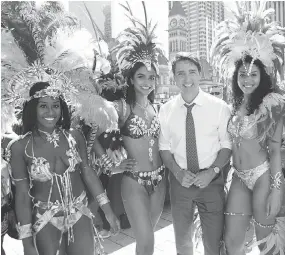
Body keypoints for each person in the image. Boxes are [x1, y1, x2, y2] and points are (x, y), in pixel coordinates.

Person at [210, 3, 285, 254]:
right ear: (236, 77)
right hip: (239, 177)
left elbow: (275, 151)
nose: (247, 79)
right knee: (233, 242)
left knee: (266, 243)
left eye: (253, 74)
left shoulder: (271, 104)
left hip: (264, 177)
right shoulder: (234, 104)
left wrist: (277, 190)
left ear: (262, 76)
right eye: (242, 74)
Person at [6, 80, 119, 255]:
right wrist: (26, 241)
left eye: (56, 105)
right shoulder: (21, 147)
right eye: (43, 106)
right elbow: (22, 195)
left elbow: (88, 173)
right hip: (44, 219)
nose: (50, 112)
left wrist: (108, 210)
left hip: (80, 212)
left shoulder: (75, 136)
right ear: (33, 107)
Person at [92, 4, 166, 255]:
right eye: (141, 77)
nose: (147, 82)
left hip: (160, 180)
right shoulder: (121, 107)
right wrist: (110, 164)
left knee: (146, 243)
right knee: (147, 242)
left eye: (151, 77)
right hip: (133, 182)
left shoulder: (157, 108)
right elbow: (91, 132)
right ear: (131, 80)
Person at [159, 52, 232, 255]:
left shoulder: (219, 108)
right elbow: (164, 149)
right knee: (182, 243)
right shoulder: (165, 111)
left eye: (192, 72)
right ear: (174, 78)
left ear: (200, 74)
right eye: (181, 73)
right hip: (180, 182)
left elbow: (227, 145)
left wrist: (212, 172)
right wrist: (177, 172)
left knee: (213, 241)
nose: (187, 79)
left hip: (211, 181)